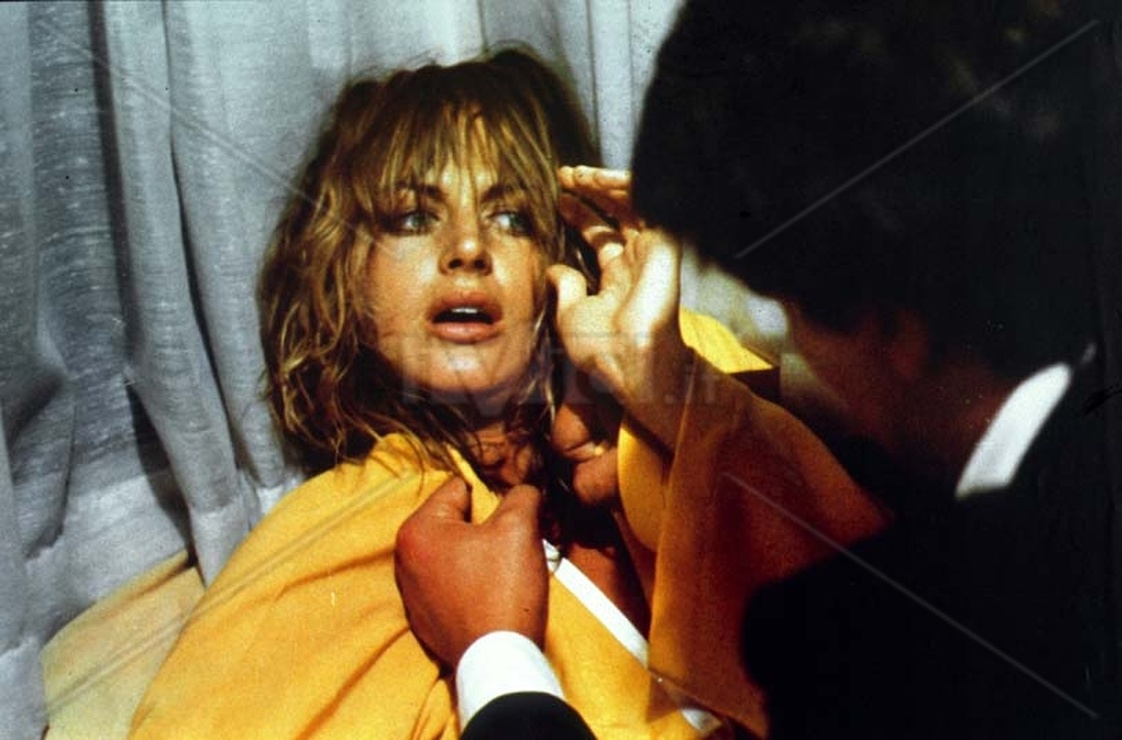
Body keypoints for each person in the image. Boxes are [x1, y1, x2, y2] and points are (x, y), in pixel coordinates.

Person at [394, 1, 1121, 738]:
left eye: (785, 294)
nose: (467, 249)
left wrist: (496, 655)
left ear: (884, 317)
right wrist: (662, 379)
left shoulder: (868, 638)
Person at [128, 48, 790, 739]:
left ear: (562, 256)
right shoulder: (342, 527)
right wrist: (496, 660)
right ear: (344, 276)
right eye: (414, 218)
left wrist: (665, 399)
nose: (468, 247)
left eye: (512, 218)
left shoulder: (686, 381)